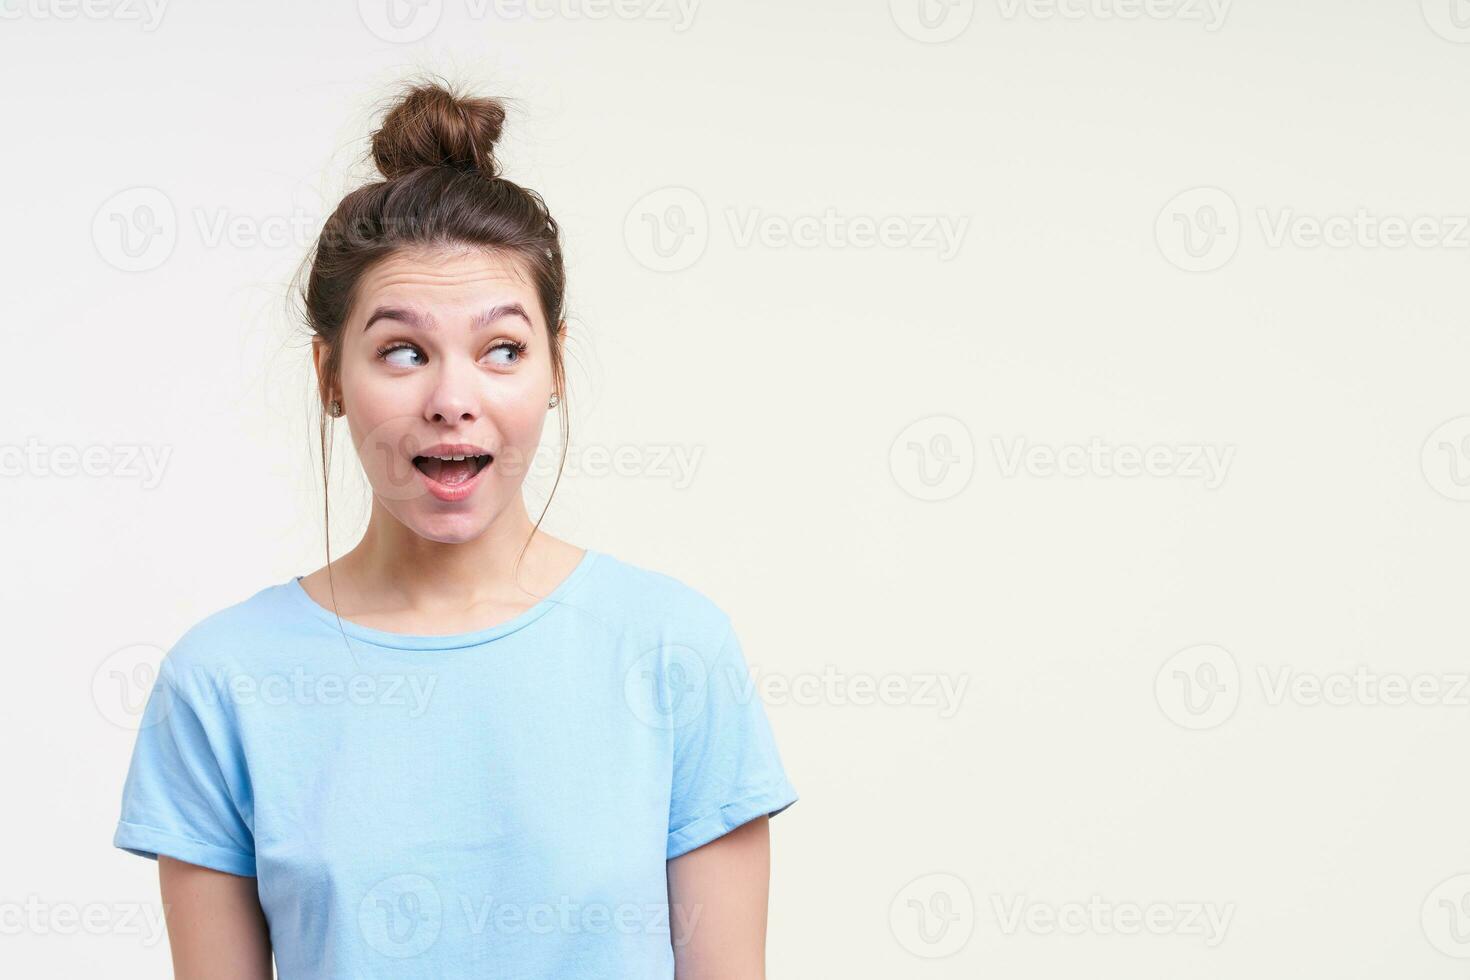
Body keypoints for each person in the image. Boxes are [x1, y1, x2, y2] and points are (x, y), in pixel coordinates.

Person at [111, 77, 798, 979]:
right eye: (403, 350)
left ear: (555, 367)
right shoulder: (220, 684)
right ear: (329, 375)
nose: (451, 402)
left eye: (501, 350)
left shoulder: (675, 652)